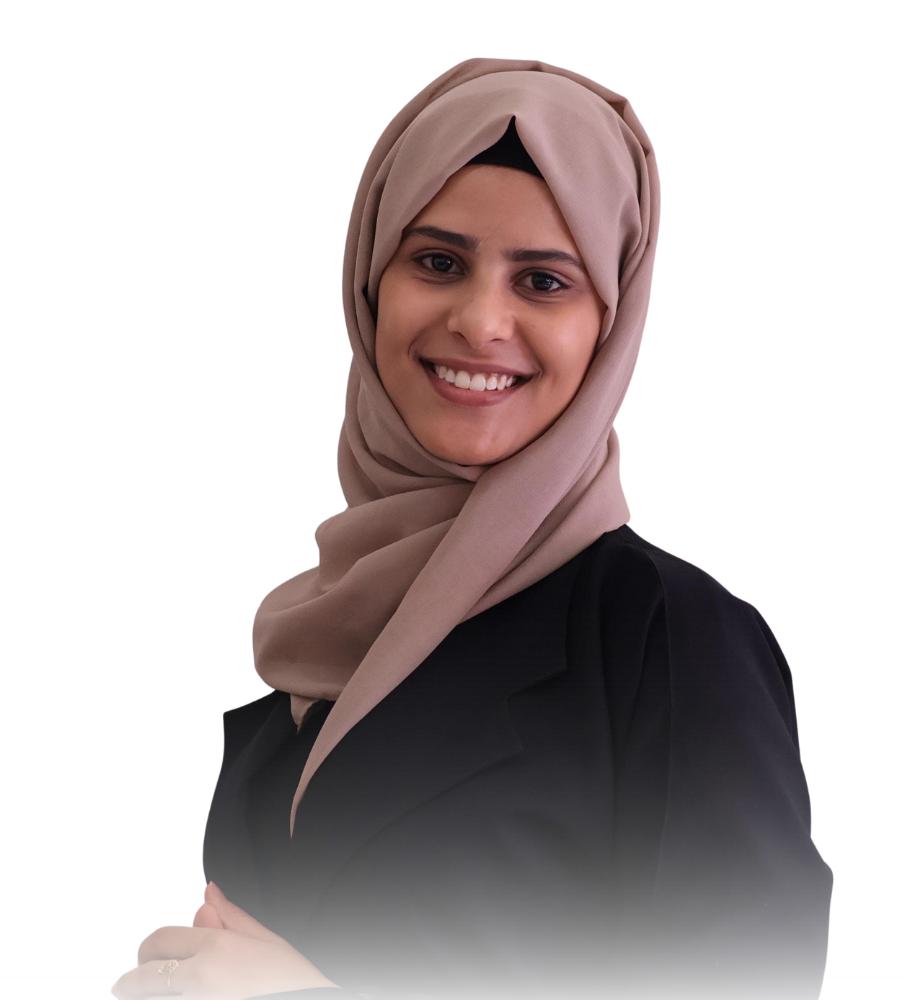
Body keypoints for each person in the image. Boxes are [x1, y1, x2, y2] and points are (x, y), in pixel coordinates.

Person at [112, 58, 832, 1000]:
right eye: (438, 263)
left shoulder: (670, 640)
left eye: (543, 280)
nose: (481, 321)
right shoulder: (323, 640)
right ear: (371, 284)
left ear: (609, 322)